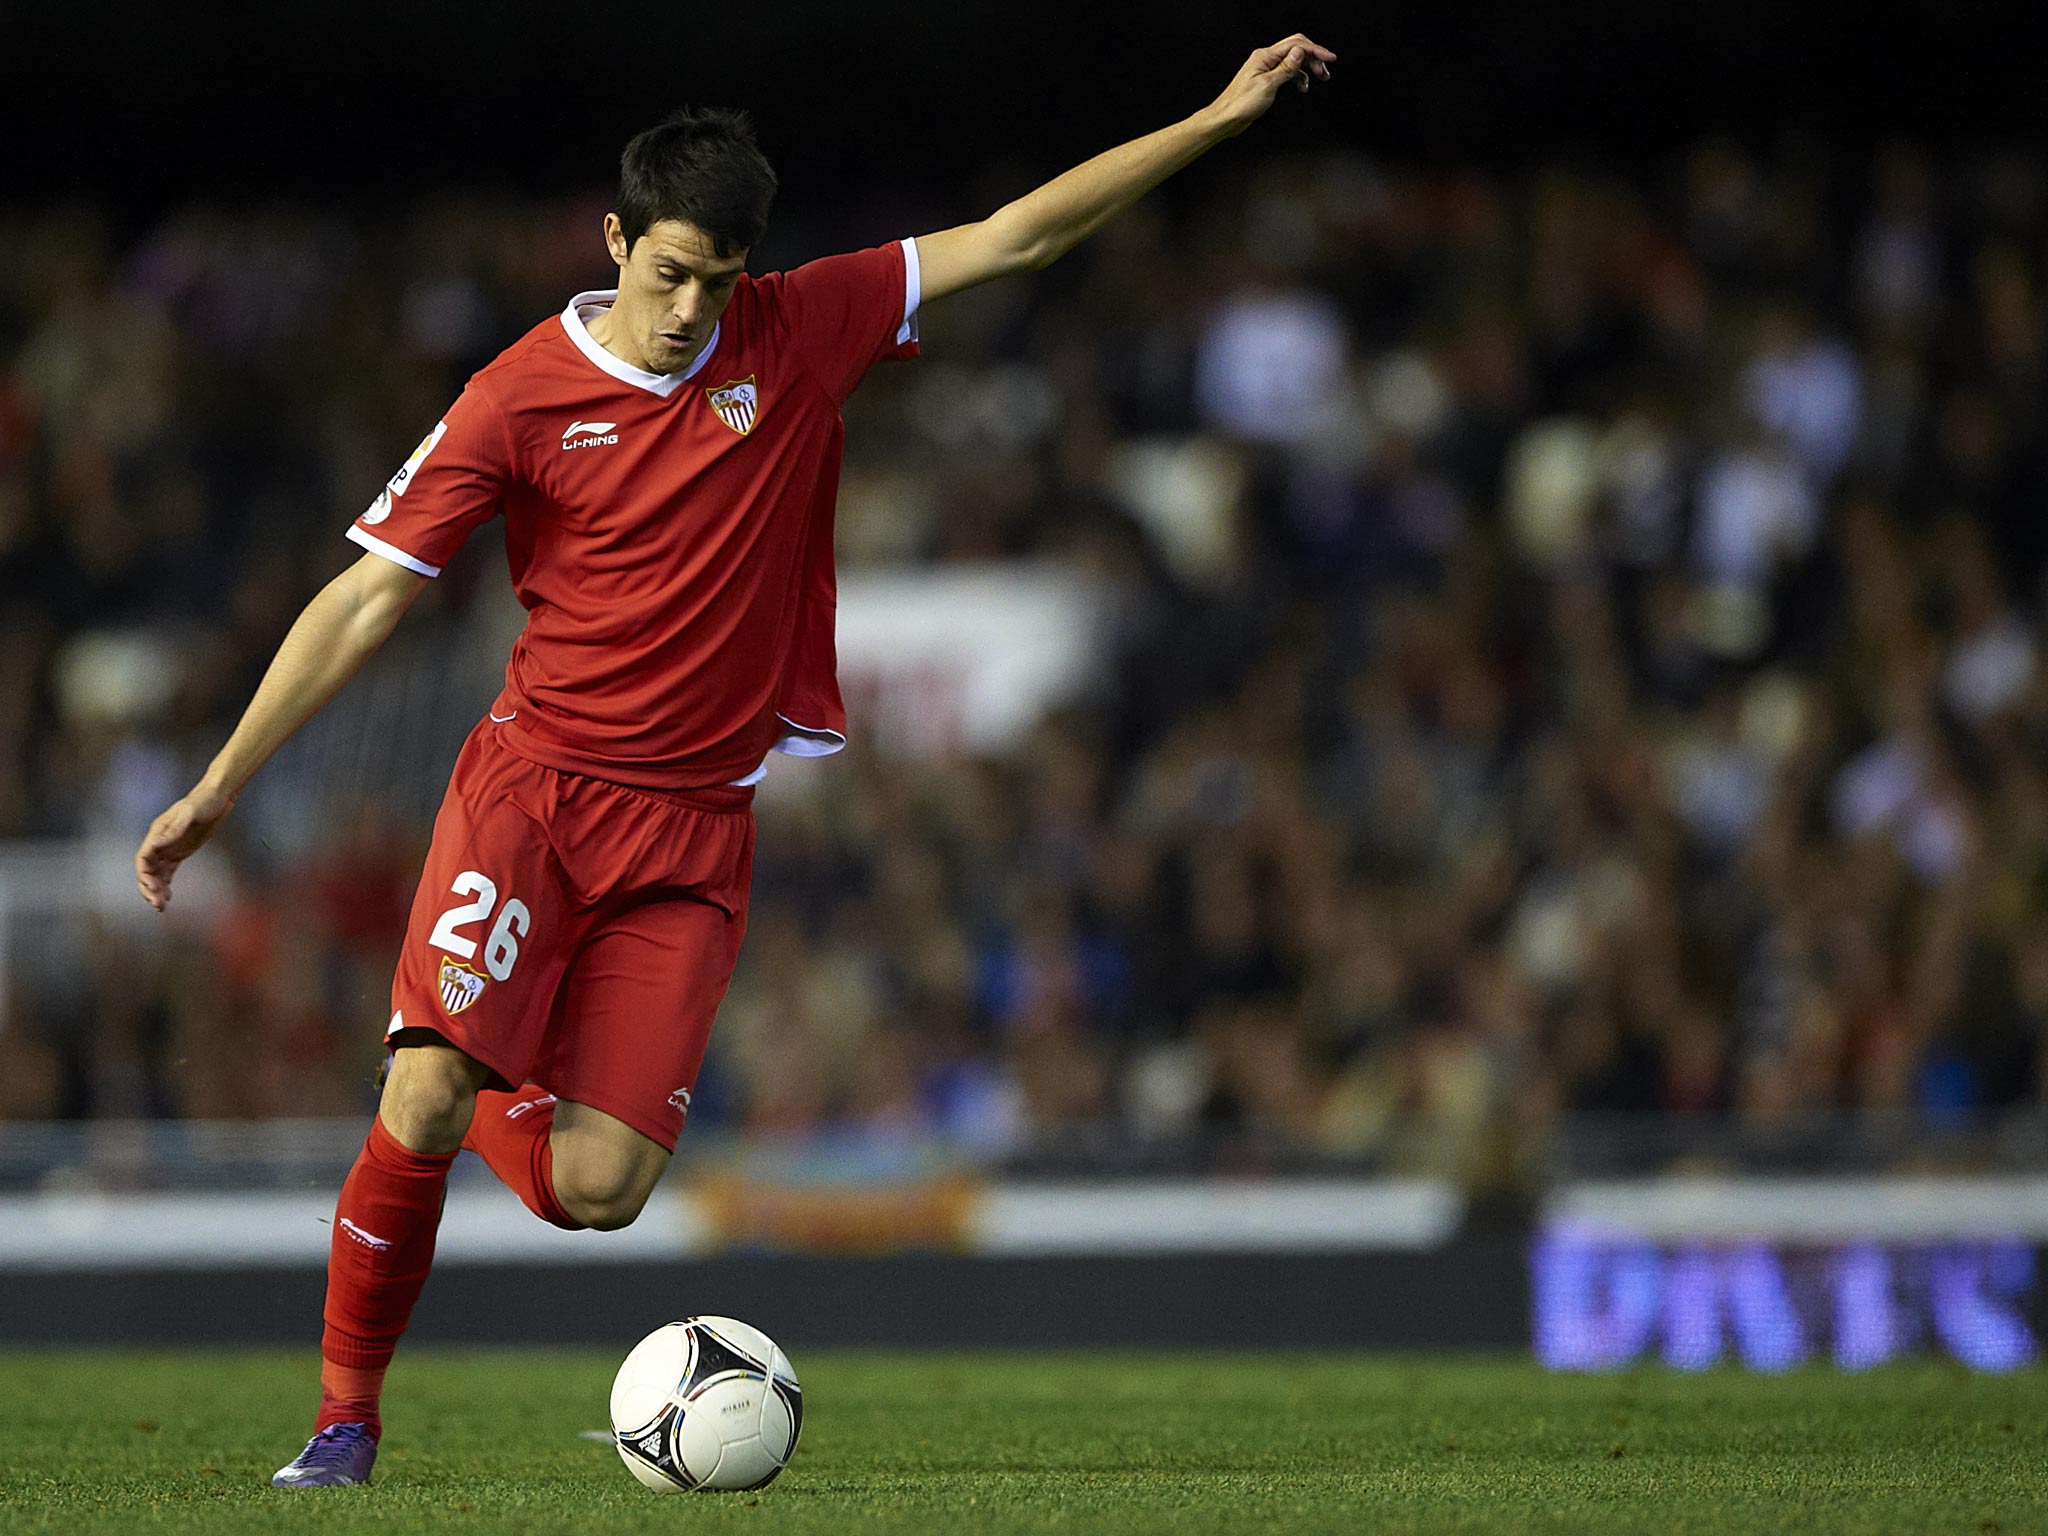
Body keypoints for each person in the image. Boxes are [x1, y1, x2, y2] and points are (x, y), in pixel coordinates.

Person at [133, 34, 1334, 1489]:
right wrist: (222, 782)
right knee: (424, 1097)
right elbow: (372, 591)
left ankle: (485, 1076)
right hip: (536, 794)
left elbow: (1021, 234)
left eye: (720, 279)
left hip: (696, 832)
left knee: (598, 1190)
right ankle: (344, 1420)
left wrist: (1214, 117)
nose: (691, 308)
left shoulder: (797, 327)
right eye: (671, 272)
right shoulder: (516, 395)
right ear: (617, 238)